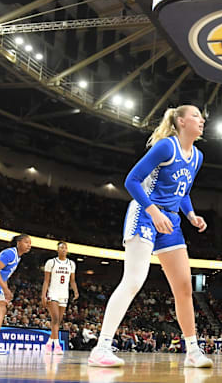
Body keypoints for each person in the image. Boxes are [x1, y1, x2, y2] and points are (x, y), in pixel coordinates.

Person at [88, 105, 212, 369]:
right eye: (195, 116)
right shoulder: (167, 147)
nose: (201, 120)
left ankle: (192, 350)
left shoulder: (198, 156)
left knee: (184, 287)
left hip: (171, 221)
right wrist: (154, 212)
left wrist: (190, 215)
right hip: (145, 214)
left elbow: (184, 192)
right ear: (180, 121)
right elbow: (132, 181)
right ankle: (101, 348)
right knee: (133, 280)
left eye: (201, 117)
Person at [41, 241, 78, 355]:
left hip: (64, 294)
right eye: (61, 247)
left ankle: (48, 343)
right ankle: (56, 345)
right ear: (57, 250)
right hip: (53, 293)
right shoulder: (51, 262)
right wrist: (43, 294)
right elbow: (46, 280)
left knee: (58, 321)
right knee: (55, 319)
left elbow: (72, 280)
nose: (63, 249)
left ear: (67, 250)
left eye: (65, 248)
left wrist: (76, 291)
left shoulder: (71, 264)